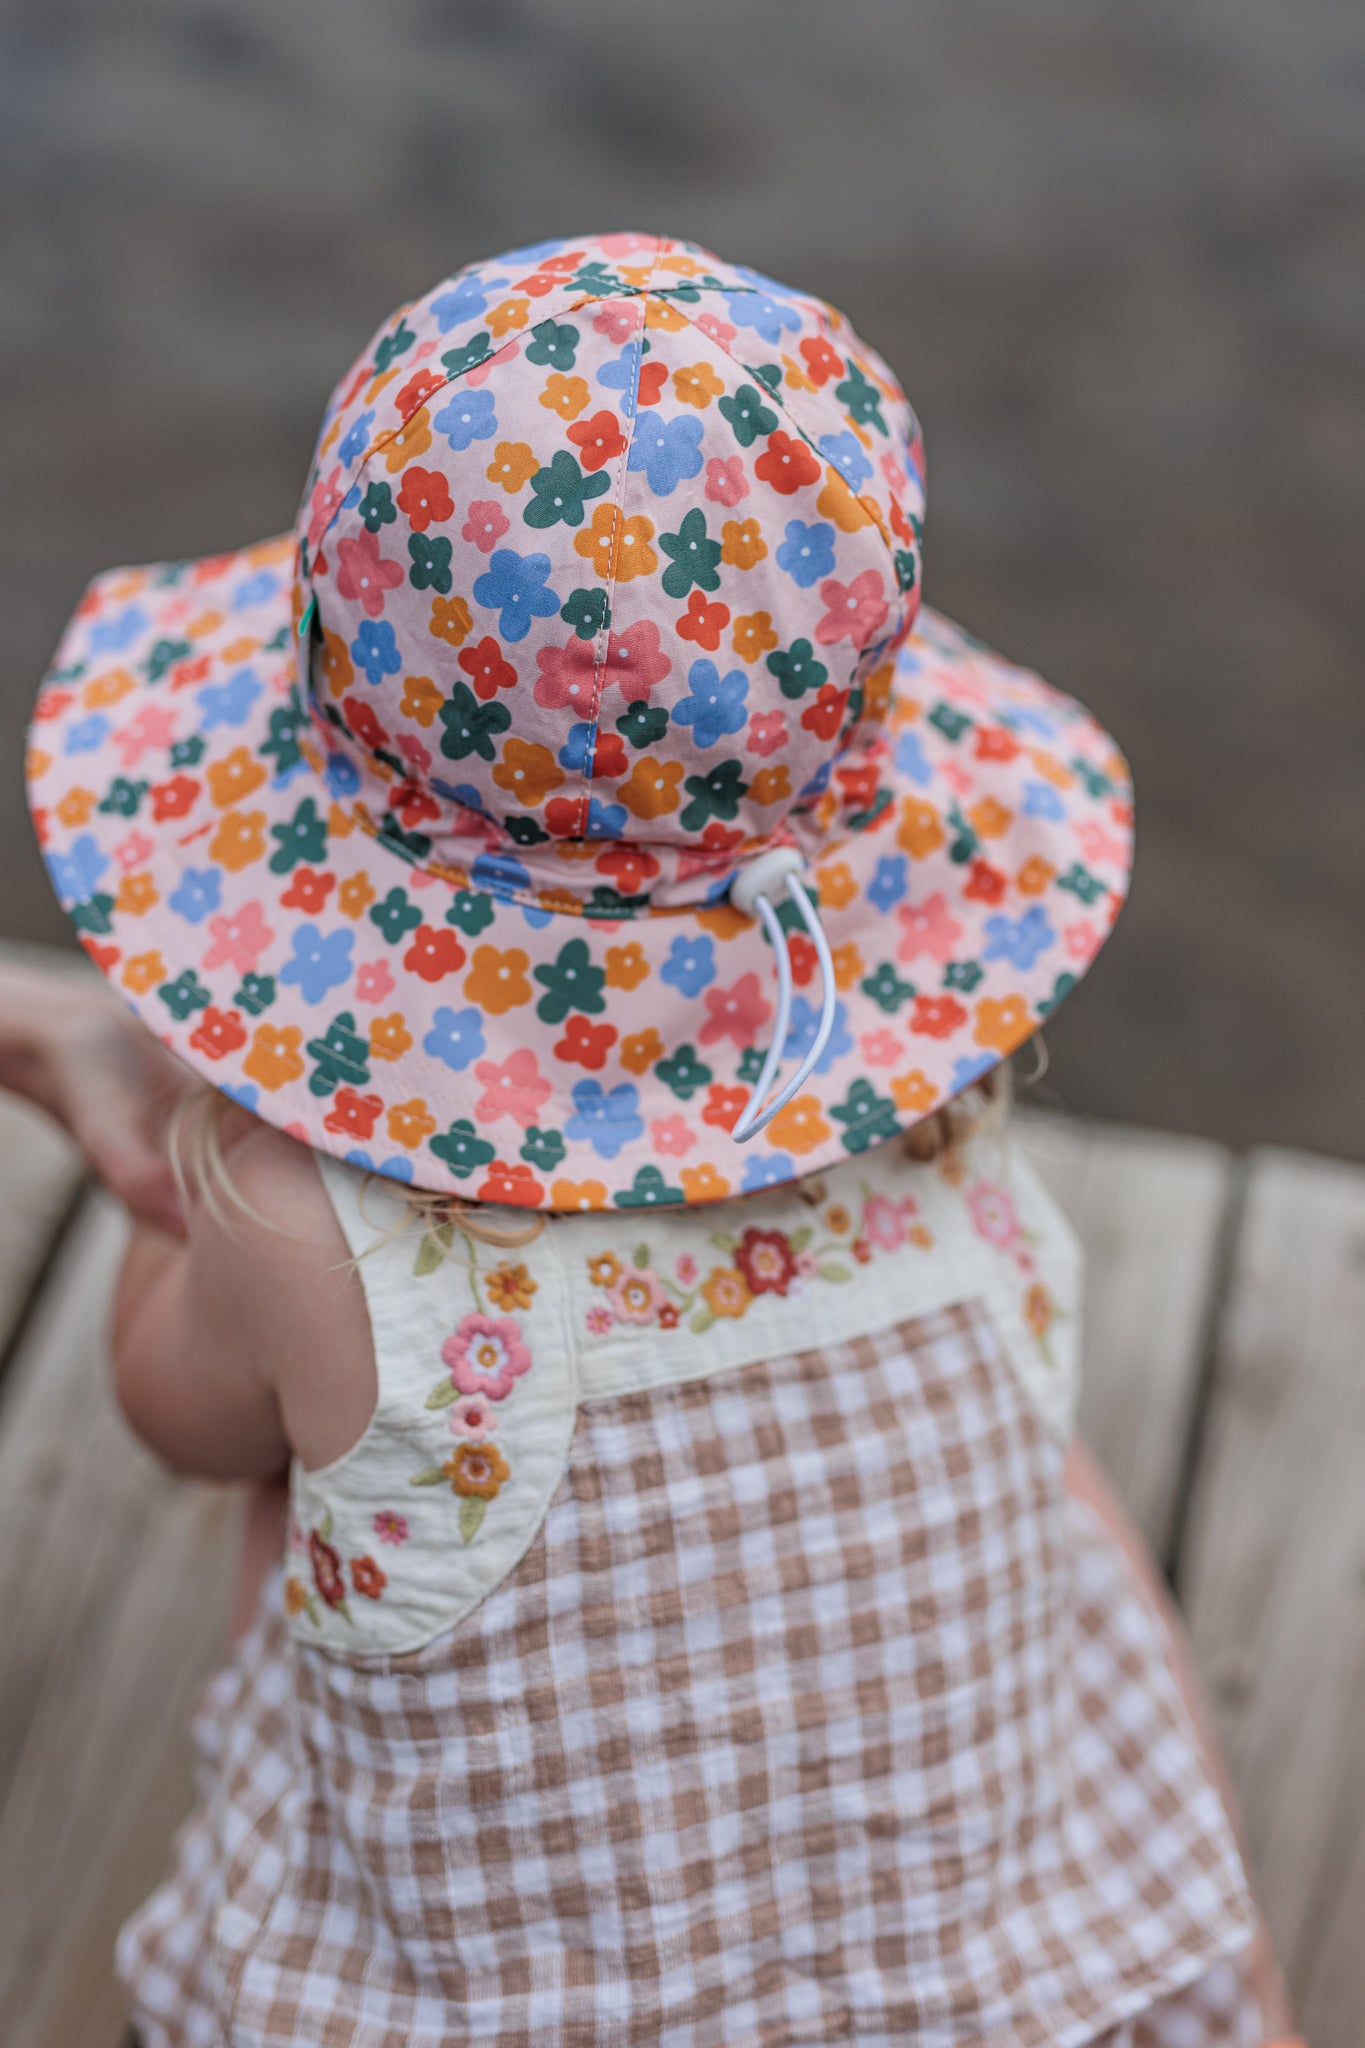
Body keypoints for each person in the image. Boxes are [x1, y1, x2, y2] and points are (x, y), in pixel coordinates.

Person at [13, 231, 1299, 2046]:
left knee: (292, 1477)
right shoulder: (927, 1111)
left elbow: (172, 1410)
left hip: (496, 2002)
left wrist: (189, 1151)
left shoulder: (303, 1217)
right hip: (984, 1987)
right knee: (1060, 1498)